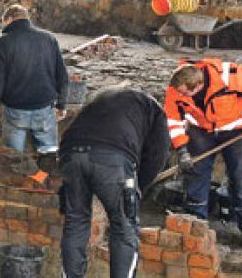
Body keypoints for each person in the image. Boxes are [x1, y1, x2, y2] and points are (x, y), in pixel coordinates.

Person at [164, 59, 242, 245]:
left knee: (240, 176)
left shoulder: (231, 77)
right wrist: (182, 149)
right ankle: (196, 224)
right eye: (179, 92)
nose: (180, 95)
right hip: (200, 130)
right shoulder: (175, 89)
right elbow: (174, 121)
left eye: (185, 93)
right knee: (196, 174)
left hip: (237, 129)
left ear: (199, 86)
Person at [59, 87, 170, 278]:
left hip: (70, 153)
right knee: (124, 227)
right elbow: (157, 156)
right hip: (112, 159)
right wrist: (138, 188)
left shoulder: (102, 97)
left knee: (76, 221)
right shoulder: (154, 109)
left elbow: (72, 128)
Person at [0, 4, 69, 154]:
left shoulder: (4, 42)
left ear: (9, 19)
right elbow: (62, 75)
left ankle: (21, 176)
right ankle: (46, 176)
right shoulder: (49, 38)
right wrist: (62, 104)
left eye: (4, 22)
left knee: (15, 159)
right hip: (44, 110)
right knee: (49, 157)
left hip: (15, 111)